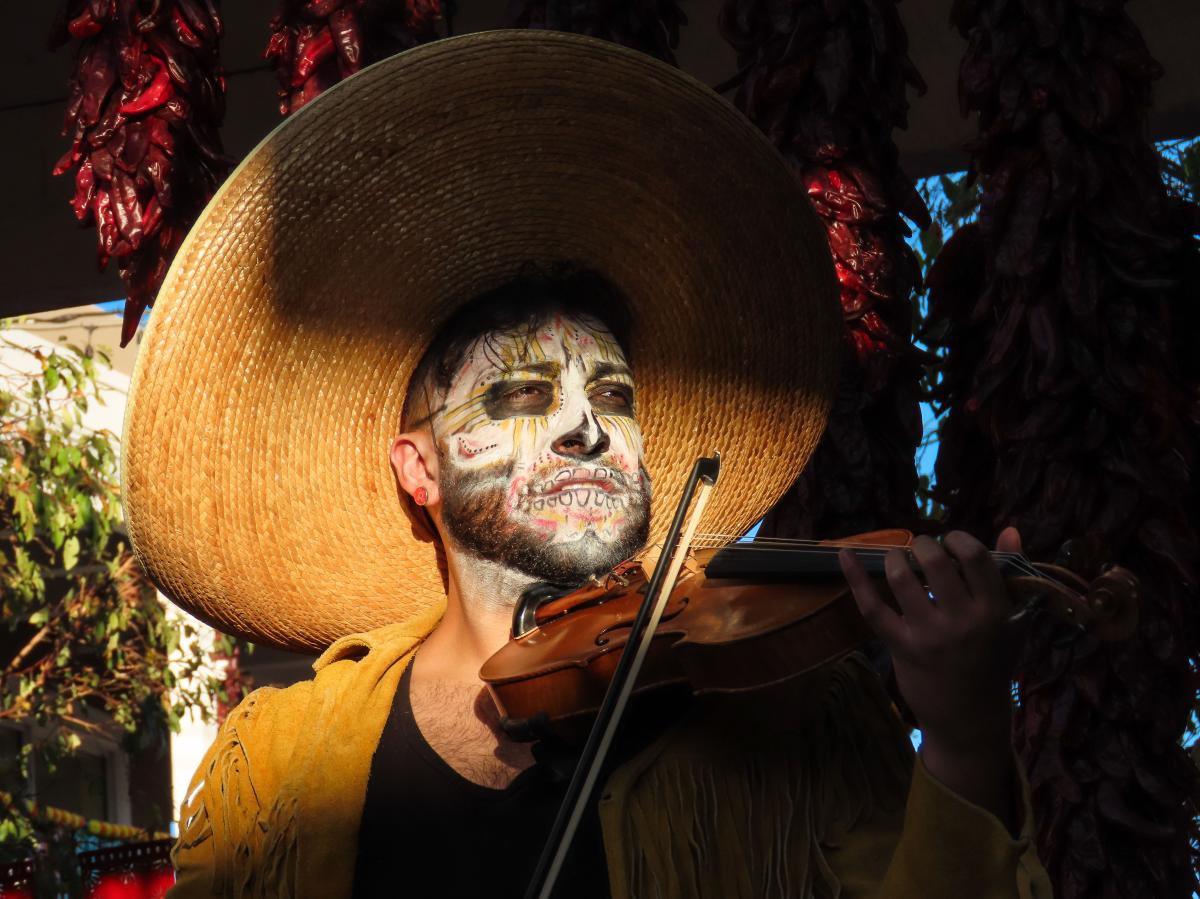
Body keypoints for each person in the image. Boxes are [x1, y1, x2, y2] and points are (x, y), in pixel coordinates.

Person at [121, 30, 1051, 899]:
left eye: (613, 396)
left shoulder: (790, 711)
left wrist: (965, 738)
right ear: (422, 468)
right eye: (523, 396)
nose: (586, 428)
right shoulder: (288, 764)